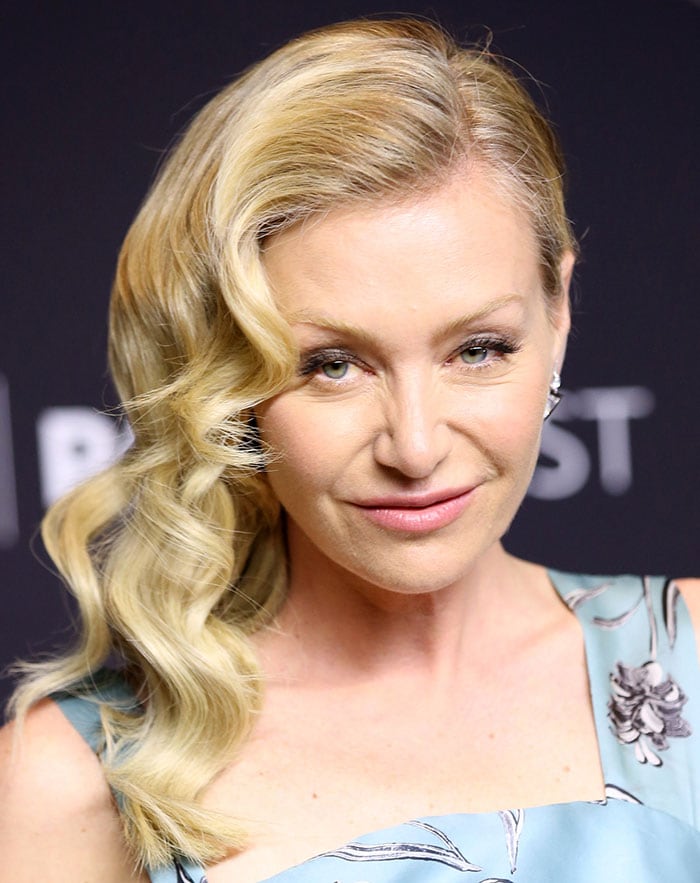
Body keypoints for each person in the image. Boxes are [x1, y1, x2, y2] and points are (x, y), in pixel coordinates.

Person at [1, 17, 698, 883]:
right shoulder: (72, 785)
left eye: (478, 348)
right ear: (231, 374)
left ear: (557, 310)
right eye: (331, 365)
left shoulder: (693, 656)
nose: (414, 445)